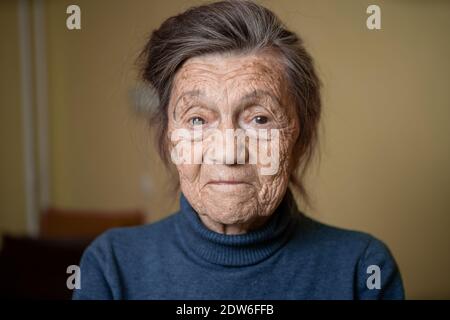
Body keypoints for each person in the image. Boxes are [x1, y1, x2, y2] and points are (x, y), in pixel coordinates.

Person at [73, 0, 404, 300]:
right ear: (169, 139)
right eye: (198, 119)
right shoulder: (111, 267)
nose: (228, 153)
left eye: (260, 119)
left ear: (299, 138)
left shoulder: (362, 270)